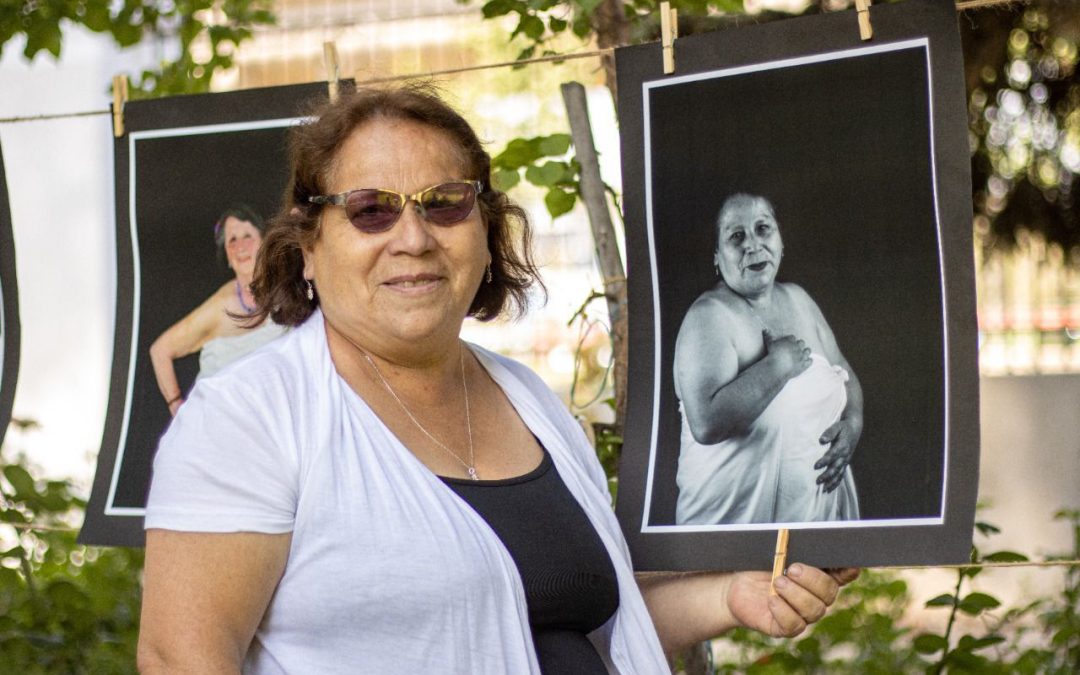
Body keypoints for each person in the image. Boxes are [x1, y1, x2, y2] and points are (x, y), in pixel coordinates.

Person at [137, 87, 858, 674]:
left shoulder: (527, 397)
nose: (412, 237)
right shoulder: (247, 419)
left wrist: (736, 595)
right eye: (370, 209)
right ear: (307, 249)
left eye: (444, 203)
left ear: (484, 234)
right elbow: (181, 658)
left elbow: (582, 615)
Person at [673, 193, 864, 526]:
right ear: (717, 256)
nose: (753, 244)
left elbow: (844, 373)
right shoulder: (708, 317)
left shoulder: (799, 299)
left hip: (812, 525)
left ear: (780, 240)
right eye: (736, 237)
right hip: (733, 541)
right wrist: (778, 366)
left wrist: (852, 426)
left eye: (763, 229)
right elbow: (705, 422)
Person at [148, 205, 287, 416]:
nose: (240, 246)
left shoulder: (288, 289)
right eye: (232, 240)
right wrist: (177, 407)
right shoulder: (222, 306)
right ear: (228, 258)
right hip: (221, 422)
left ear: (264, 243)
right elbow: (160, 351)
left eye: (247, 236)